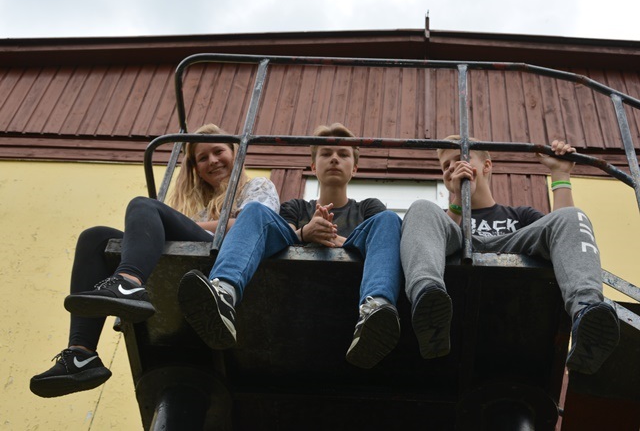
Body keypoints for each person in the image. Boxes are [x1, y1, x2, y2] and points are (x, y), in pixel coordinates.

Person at [30, 124, 280, 397]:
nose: (212, 160)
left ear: (235, 153)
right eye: (202, 158)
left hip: (225, 256)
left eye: (218, 151)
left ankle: (127, 283)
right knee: (95, 238)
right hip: (188, 257)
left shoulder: (256, 186)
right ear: (195, 168)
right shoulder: (192, 206)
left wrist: (170, 222)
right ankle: (81, 354)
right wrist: (169, 223)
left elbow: (252, 227)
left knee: (144, 205)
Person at [178, 123, 403, 369]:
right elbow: (276, 240)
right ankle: (222, 293)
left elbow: (384, 245)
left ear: (355, 168)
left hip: (341, 291)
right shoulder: (295, 207)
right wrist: (306, 233)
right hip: (298, 290)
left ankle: (376, 309)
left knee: (389, 219)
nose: (334, 159)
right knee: (255, 211)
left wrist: (328, 237)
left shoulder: (369, 208)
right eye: (326, 154)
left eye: (343, 154)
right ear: (313, 166)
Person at [400, 135, 620, 375]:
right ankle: (428, 301)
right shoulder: (439, 219)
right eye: (445, 166)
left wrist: (560, 174)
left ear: (487, 166)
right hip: (458, 246)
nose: (452, 167)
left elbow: (563, 231)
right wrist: (458, 202)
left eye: (460, 158)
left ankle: (587, 309)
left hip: (512, 247)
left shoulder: (520, 216)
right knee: (420, 208)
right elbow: (432, 242)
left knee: (573, 215)